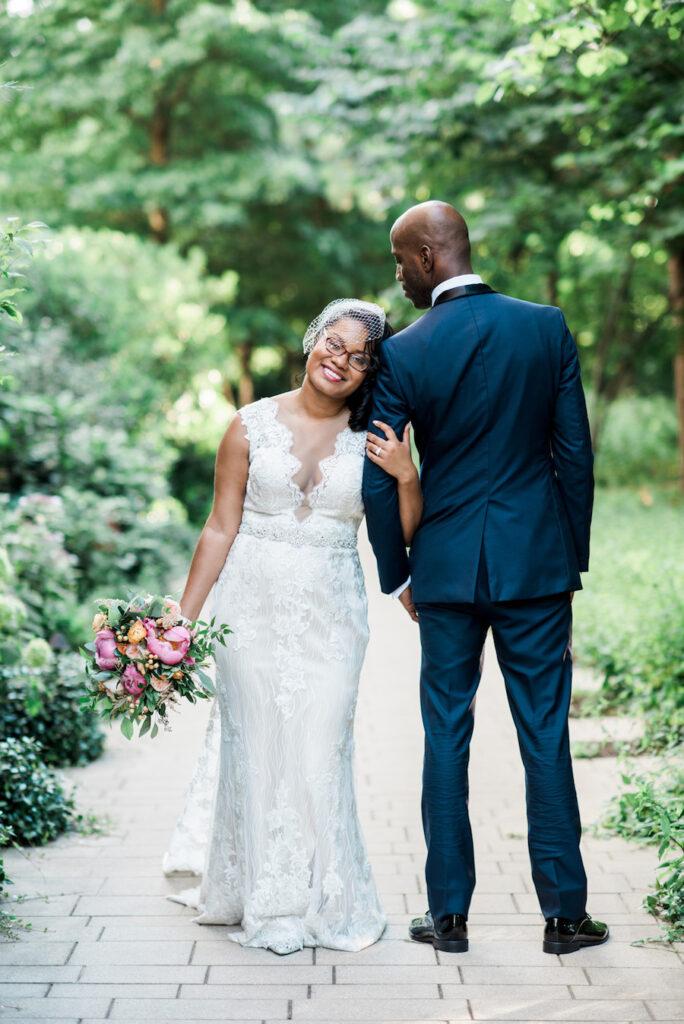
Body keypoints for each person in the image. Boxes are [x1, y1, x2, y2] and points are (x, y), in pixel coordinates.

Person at [362, 200, 610, 956]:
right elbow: (574, 456)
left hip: (445, 572)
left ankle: (449, 917)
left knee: (445, 734)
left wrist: (400, 574)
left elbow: (381, 477)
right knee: (545, 731)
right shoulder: (546, 327)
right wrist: (567, 557)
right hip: (536, 564)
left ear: (431, 259)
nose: (399, 277)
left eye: (403, 262)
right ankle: (565, 918)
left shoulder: (404, 352)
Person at [162, 298, 422, 956]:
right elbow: (220, 527)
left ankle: (325, 894)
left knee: (318, 748)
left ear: (370, 372)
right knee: (259, 749)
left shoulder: (379, 440)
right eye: (333, 344)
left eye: (360, 356)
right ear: (311, 343)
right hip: (250, 607)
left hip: (334, 616)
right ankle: (268, 901)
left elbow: (405, 535)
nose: (341, 361)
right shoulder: (247, 426)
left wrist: (407, 477)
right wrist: (181, 622)